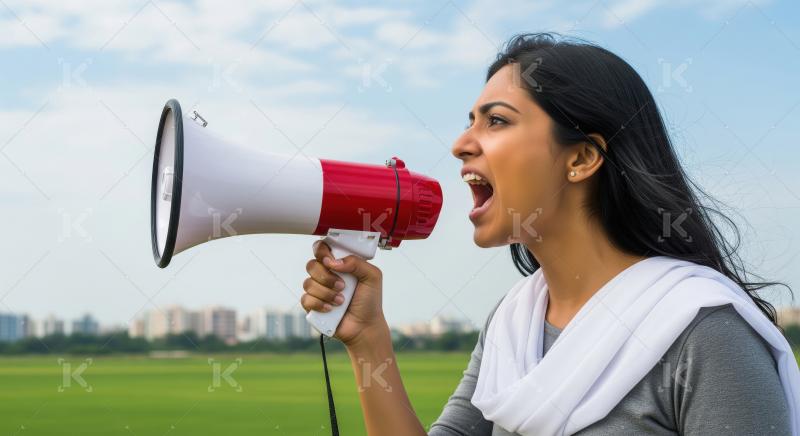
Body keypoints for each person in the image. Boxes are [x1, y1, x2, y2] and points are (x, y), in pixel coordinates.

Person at [299, 32, 798, 435]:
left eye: (496, 121)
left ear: (581, 158)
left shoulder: (704, 334)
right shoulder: (515, 323)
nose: (459, 145)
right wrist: (369, 340)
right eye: (470, 122)